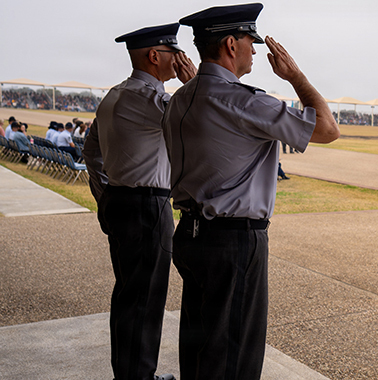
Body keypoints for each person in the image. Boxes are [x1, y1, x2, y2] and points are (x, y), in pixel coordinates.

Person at [165, 4, 339, 379]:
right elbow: (327, 128)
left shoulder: (181, 98)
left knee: (199, 348)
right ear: (231, 45)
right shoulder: (245, 100)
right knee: (234, 358)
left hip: (191, 234)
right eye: (250, 42)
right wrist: (296, 76)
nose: (255, 51)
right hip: (233, 241)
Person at [81, 22, 196, 380]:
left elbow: (91, 151)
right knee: (146, 298)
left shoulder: (114, 95)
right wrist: (194, 84)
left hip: (120, 199)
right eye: (174, 52)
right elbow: (202, 121)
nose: (180, 58)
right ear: (154, 56)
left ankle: (128, 373)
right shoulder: (153, 100)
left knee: (129, 294)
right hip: (148, 206)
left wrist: (105, 195)